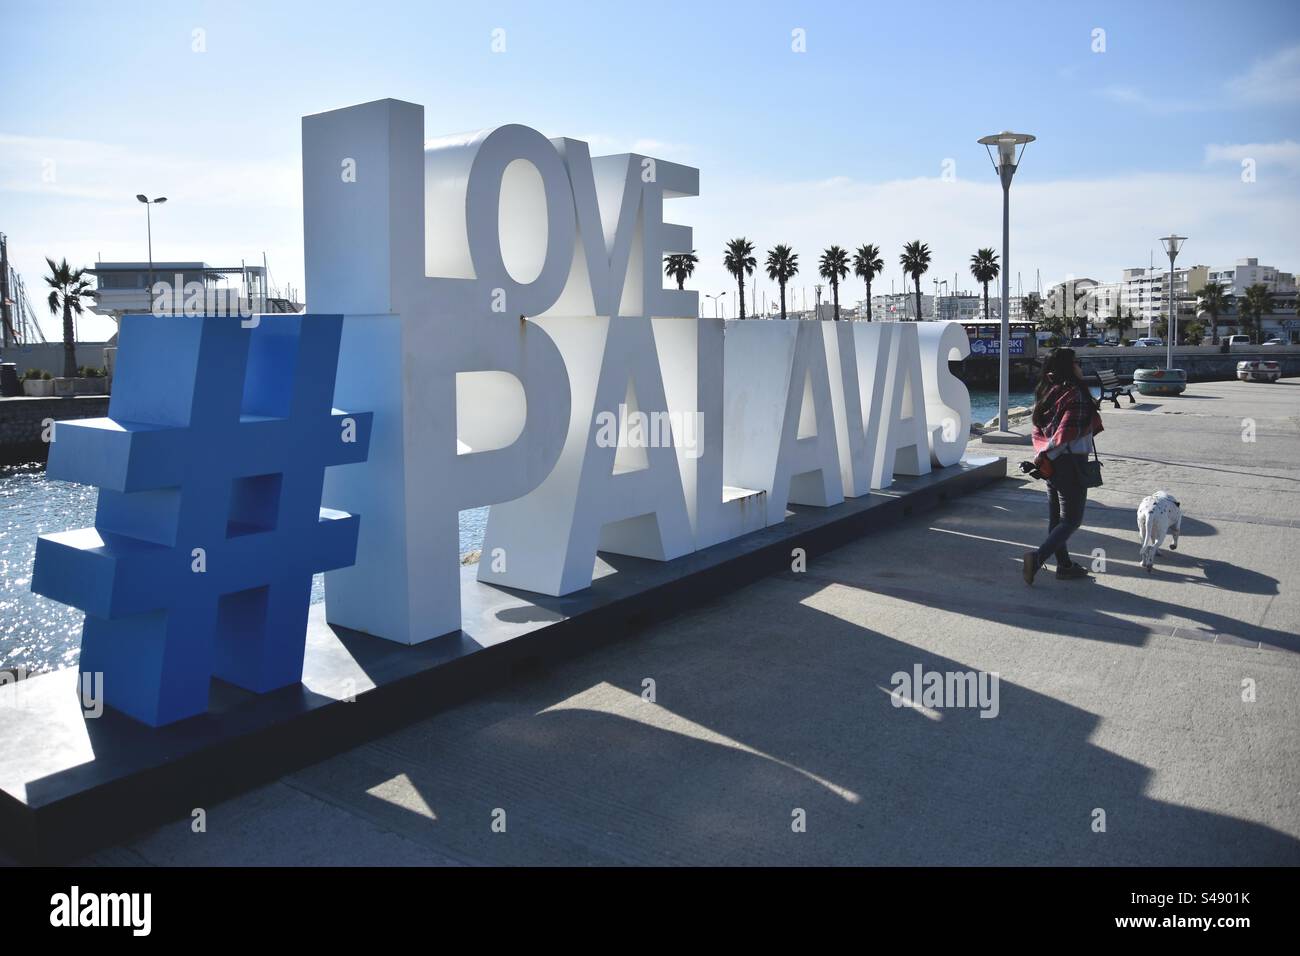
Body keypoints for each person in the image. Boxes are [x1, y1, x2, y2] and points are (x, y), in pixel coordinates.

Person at [1022, 348, 1104, 585]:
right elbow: (1064, 433)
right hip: (1069, 462)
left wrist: (1043, 455)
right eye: (1078, 362)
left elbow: (1040, 429)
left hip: (1051, 464)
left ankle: (1065, 566)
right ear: (1069, 367)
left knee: (1057, 519)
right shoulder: (1075, 394)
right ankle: (1036, 560)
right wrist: (1051, 453)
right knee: (1072, 520)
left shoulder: (1048, 392)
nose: (1081, 366)